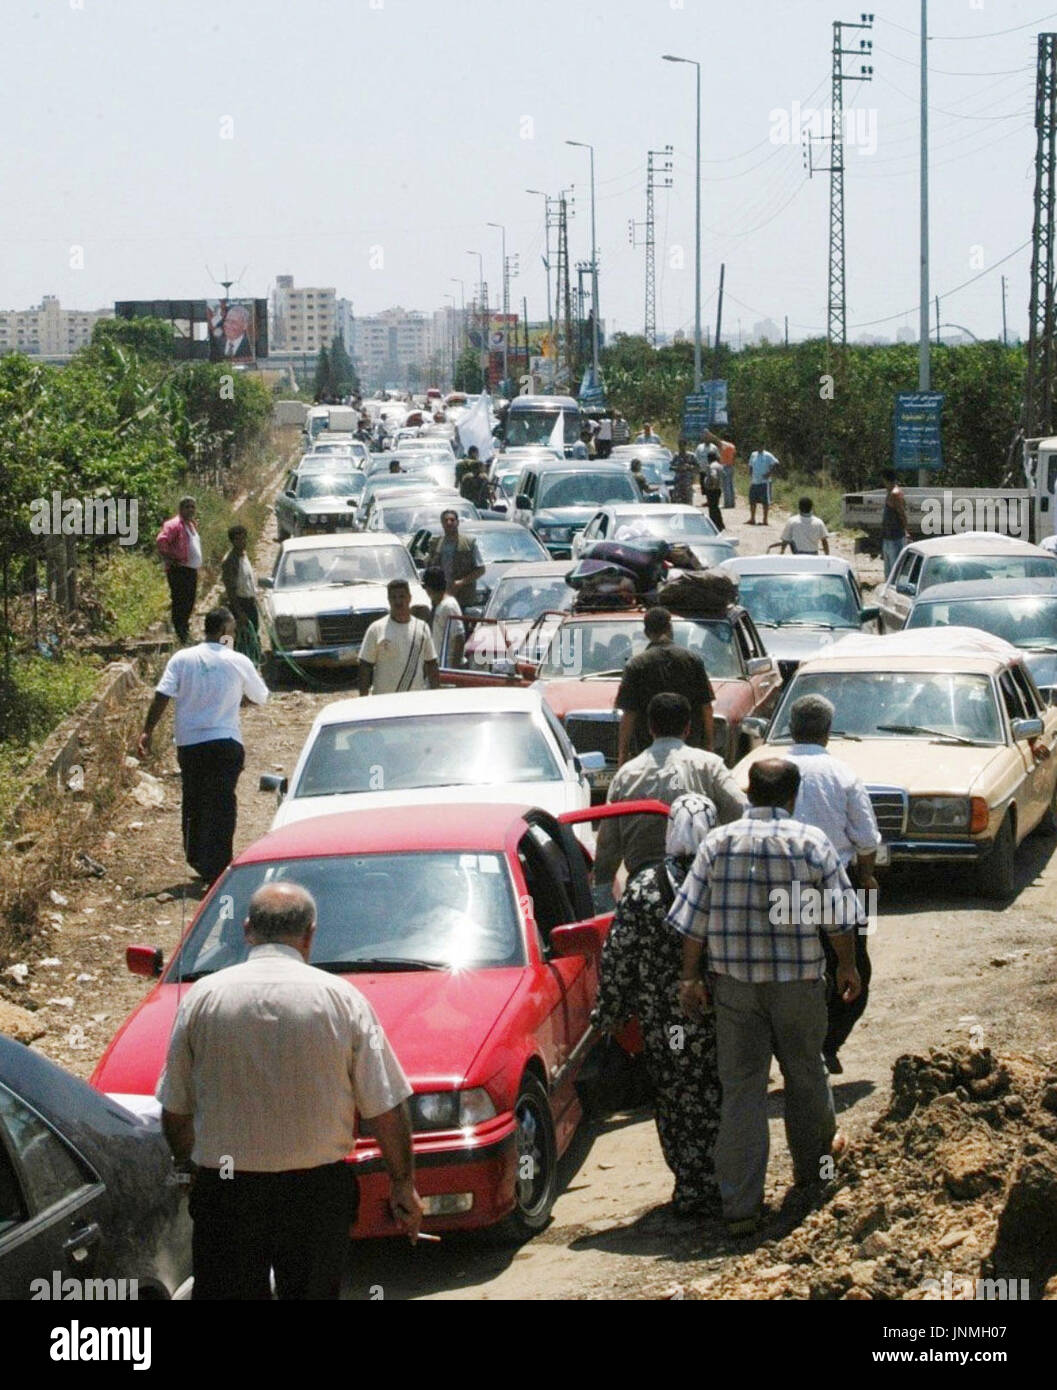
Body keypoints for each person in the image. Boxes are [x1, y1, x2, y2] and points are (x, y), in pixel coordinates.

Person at [158, 881, 421, 1300]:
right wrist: (402, 1183)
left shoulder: (202, 999)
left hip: (228, 1193)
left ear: (247, 930)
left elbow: (175, 1109)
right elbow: (386, 1107)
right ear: (310, 934)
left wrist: (187, 1167)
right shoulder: (343, 999)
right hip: (316, 1197)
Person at [669, 758, 864, 1234]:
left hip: (734, 989)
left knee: (742, 1092)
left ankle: (740, 1208)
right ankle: (815, 1177)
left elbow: (692, 922)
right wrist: (847, 965)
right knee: (806, 1076)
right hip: (798, 986)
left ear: (749, 792)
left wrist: (688, 979)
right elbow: (839, 918)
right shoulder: (811, 842)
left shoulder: (717, 843)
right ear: (793, 796)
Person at [591, 794, 724, 1217]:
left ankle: (690, 1186)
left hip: (669, 1026)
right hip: (722, 1017)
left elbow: (618, 954)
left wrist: (608, 1013)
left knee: (674, 1097)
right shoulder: (726, 879)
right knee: (722, 1093)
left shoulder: (644, 887)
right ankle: (728, 1183)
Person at [784, 694, 880, 1074]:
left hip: (787, 887)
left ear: (792, 728)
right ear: (827, 732)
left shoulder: (771, 768)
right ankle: (829, 1044)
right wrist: (868, 876)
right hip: (845, 883)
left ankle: (800, 1048)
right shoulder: (844, 773)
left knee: (795, 970)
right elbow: (867, 839)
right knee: (856, 968)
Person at [138, 607, 269, 885]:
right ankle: (220, 865)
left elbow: (162, 694)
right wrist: (238, 697)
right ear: (223, 632)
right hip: (226, 742)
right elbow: (261, 696)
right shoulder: (238, 660)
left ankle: (198, 858)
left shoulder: (182, 658)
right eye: (231, 632)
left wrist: (147, 731)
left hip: (191, 745)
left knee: (194, 799)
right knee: (222, 802)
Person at [593, 693, 746, 895]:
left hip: (643, 892)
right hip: (699, 887)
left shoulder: (626, 775)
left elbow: (607, 846)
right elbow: (742, 815)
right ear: (688, 728)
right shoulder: (709, 766)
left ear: (650, 728)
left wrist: (602, 895)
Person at [616, 607, 715, 763]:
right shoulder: (692, 660)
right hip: (688, 750)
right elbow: (707, 708)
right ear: (670, 628)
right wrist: (709, 746)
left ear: (646, 632)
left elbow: (629, 715)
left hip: (649, 752)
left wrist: (622, 755)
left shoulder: (636, 665)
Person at [358, 579, 440, 695]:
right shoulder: (376, 629)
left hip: (414, 700)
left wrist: (436, 695)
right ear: (388, 600)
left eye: (402, 596)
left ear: (409, 598)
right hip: (384, 701)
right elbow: (365, 667)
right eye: (393, 597)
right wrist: (364, 700)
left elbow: (431, 664)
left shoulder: (422, 628)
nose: (398, 601)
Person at [156, 496, 202, 644]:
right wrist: (172, 558)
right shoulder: (174, 524)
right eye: (187, 507)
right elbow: (162, 541)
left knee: (189, 601)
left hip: (190, 570)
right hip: (179, 569)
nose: (190, 509)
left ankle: (184, 630)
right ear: (180, 509)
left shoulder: (191, 524)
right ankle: (181, 633)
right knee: (180, 601)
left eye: (192, 507)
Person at [426, 509, 485, 606]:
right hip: (441, 596)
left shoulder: (469, 543)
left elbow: (481, 569)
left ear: (457, 523)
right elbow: (430, 568)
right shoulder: (436, 544)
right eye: (446, 520)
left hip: (463, 597)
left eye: (452, 520)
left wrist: (461, 583)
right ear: (442, 524)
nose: (449, 523)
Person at [220, 525, 260, 662]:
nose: (242, 541)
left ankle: (252, 665)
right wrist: (239, 612)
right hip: (240, 604)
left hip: (250, 602)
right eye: (238, 539)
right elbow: (230, 590)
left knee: (253, 636)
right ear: (232, 541)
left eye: (244, 538)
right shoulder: (230, 561)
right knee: (239, 640)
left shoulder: (244, 555)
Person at [422, 565, 462, 665]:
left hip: (447, 666)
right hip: (437, 664)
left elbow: (459, 637)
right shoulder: (438, 605)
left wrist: (453, 670)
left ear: (429, 588)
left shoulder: (449, 606)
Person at [881, 468, 910, 578]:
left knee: (895, 570)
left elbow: (902, 513)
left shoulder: (895, 493)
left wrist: (906, 530)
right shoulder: (889, 493)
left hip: (895, 537)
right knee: (888, 571)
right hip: (887, 537)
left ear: (886, 480)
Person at [747, 445, 779, 525]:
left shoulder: (768, 455)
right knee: (752, 501)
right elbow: (750, 465)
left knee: (765, 502)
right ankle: (752, 519)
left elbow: (776, 463)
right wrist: (750, 473)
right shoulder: (753, 454)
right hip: (754, 482)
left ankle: (765, 520)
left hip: (764, 482)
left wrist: (769, 473)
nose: (759, 447)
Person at [702, 453, 725, 531]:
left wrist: (712, 486)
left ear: (709, 458)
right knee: (716, 507)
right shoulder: (719, 465)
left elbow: (713, 476)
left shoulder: (712, 466)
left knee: (712, 508)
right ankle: (720, 523)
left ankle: (714, 524)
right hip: (718, 489)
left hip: (712, 490)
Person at [671, 439, 696, 506]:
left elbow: (697, 468)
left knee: (688, 502)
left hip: (687, 482)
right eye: (680, 445)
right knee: (678, 502)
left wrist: (689, 467)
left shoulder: (691, 456)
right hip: (678, 483)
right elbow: (671, 467)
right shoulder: (676, 456)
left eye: (682, 445)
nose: (681, 447)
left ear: (685, 445)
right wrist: (678, 468)